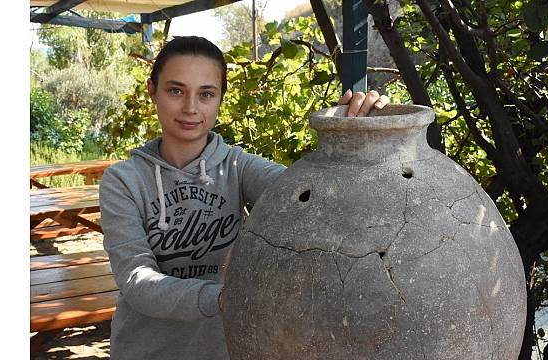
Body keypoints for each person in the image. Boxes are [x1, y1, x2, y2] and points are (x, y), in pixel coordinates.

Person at [99, 35, 390, 360]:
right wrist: (226, 299)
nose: (191, 108)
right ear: (152, 91)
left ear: (221, 98)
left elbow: (315, 199)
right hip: (145, 350)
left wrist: (359, 140)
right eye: (175, 90)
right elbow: (137, 281)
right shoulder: (123, 181)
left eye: (206, 94)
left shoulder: (238, 167)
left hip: (227, 349)